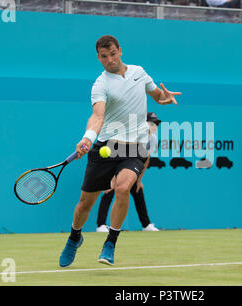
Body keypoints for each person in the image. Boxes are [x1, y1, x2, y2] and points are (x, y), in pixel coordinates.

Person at [59, 35, 181, 267]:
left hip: (135, 148)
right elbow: (98, 116)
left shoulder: (139, 72)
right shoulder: (100, 84)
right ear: (98, 58)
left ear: (120, 51)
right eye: (104, 57)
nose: (109, 60)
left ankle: (110, 243)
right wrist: (87, 138)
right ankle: (75, 237)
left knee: (123, 187)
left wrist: (165, 98)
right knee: (85, 204)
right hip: (105, 147)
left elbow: (157, 95)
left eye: (113, 54)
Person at [95, 112, 162, 233]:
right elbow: (120, 155)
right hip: (117, 163)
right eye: (151, 123)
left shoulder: (153, 138)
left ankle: (146, 225)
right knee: (109, 190)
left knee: (138, 191)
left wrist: (138, 180)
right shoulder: (132, 135)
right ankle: (101, 225)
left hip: (133, 166)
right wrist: (112, 179)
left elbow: (146, 159)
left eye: (156, 123)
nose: (154, 126)